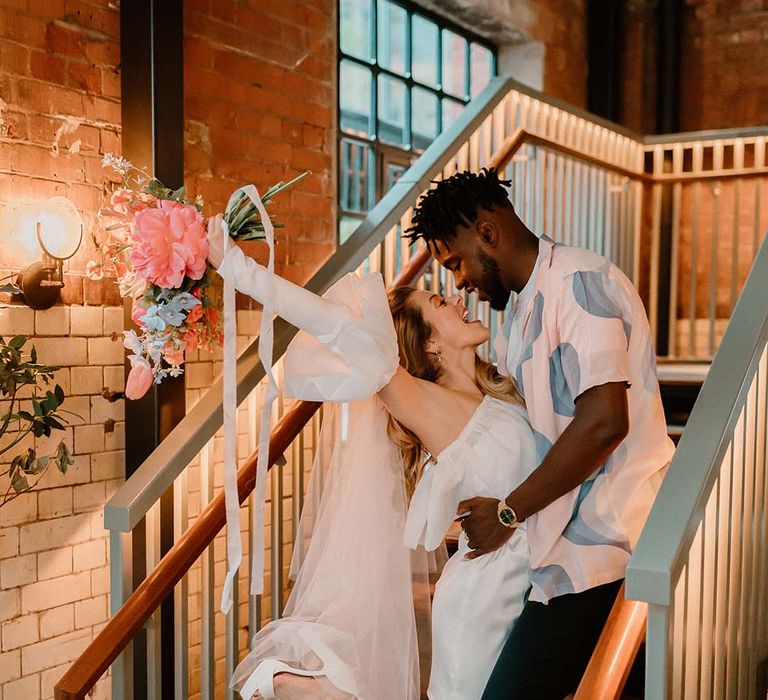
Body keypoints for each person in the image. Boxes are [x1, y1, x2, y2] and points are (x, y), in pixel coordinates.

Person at [207, 219, 538, 699]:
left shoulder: (500, 389)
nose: (460, 299)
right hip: (484, 600)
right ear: (429, 344)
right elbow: (330, 323)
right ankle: (287, 682)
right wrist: (238, 269)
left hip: (522, 580)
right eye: (442, 304)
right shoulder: (422, 400)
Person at [406, 168, 675, 699]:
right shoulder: (517, 321)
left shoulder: (578, 280)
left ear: (487, 233)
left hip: (609, 545)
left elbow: (604, 422)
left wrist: (509, 510)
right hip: (558, 554)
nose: (459, 281)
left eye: (456, 262)